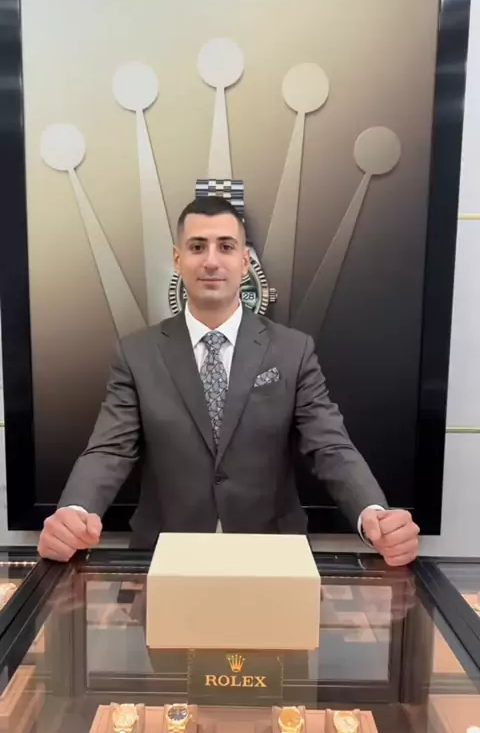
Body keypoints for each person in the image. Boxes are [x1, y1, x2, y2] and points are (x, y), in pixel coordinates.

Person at [37, 197, 419, 566]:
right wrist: (74, 511)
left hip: (271, 557)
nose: (211, 261)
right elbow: (110, 450)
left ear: (244, 261)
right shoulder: (136, 353)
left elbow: (329, 446)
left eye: (225, 246)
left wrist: (373, 513)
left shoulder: (293, 350)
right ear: (177, 260)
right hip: (167, 557)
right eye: (197, 247)